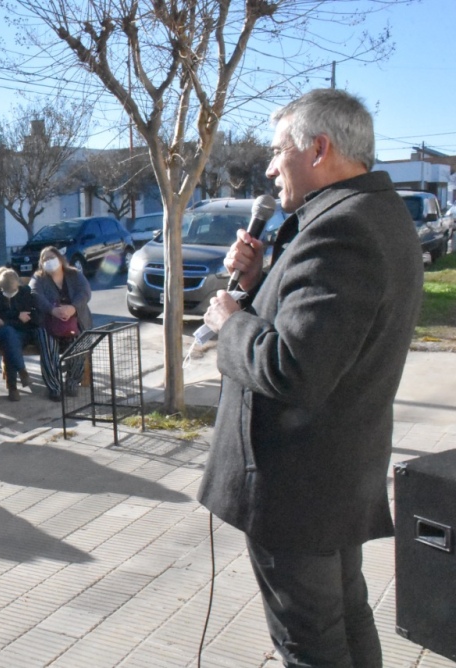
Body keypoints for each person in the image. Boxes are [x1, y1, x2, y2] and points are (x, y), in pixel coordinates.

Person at [198, 89, 423, 668]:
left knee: (311, 645)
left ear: (319, 148)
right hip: (330, 479)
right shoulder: (367, 214)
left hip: (296, 490)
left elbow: (293, 368)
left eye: (278, 151)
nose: (271, 168)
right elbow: (321, 329)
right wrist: (258, 281)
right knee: (345, 621)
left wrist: (230, 321)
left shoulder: (340, 232)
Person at [29, 246, 91, 401]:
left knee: (81, 343)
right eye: (45, 259)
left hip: (74, 321)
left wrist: (72, 308)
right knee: (48, 345)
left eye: (51, 257)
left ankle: (72, 382)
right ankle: (54, 387)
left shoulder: (74, 274)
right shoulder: (39, 278)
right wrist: (52, 310)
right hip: (48, 323)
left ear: (59, 258)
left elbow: (85, 292)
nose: (48, 261)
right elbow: (35, 294)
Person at [0, 266, 40, 402]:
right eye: (6, 291)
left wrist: (5, 320)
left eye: (14, 290)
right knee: (9, 336)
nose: (10, 293)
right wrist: (16, 316)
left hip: (22, 333)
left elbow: (26, 320)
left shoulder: (24, 292)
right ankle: (22, 371)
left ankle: (13, 388)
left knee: (10, 340)